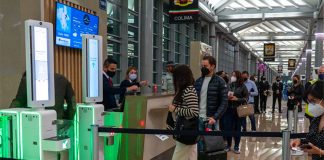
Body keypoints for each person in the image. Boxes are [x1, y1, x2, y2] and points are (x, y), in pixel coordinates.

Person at [10, 72, 76, 160]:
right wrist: (66, 121)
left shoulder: (27, 79)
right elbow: (73, 104)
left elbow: (17, 103)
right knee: (55, 153)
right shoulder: (63, 79)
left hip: (34, 127)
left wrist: (6, 119)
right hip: (57, 124)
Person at [194, 56, 228, 153]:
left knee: (212, 147)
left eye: (205, 65)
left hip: (211, 120)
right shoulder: (198, 81)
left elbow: (224, 102)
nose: (203, 67)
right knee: (199, 146)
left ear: (212, 66)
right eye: (202, 65)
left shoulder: (220, 81)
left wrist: (215, 117)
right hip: (198, 118)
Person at [168, 65, 199, 160]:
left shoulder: (188, 90)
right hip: (187, 131)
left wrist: (175, 109)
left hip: (186, 131)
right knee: (191, 156)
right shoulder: (186, 89)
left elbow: (194, 111)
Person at [290, 81, 324, 160]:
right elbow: (313, 139)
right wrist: (300, 142)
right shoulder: (316, 119)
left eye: (313, 101)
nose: (311, 105)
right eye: (309, 102)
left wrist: (320, 152)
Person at [222, 71, 249, 154]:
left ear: (238, 77)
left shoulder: (243, 86)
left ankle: (236, 146)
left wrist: (237, 99)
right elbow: (224, 94)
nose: (232, 77)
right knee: (228, 128)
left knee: (237, 129)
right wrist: (228, 97)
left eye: (234, 75)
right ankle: (228, 145)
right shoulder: (229, 85)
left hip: (238, 110)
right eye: (232, 75)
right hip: (228, 110)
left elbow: (246, 98)